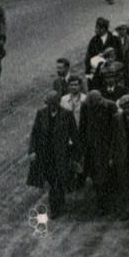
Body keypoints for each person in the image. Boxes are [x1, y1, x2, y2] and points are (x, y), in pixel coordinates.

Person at [27, 91, 78, 219]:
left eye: (53, 104)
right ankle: (56, 204)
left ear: (58, 103)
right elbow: (35, 133)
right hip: (45, 153)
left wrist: (75, 154)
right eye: (49, 104)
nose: (51, 106)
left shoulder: (67, 114)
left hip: (61, 154)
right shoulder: (41, 114)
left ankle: (55, 206)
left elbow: (75, 135)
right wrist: (32, 150)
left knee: (59, 179)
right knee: (51, 179)